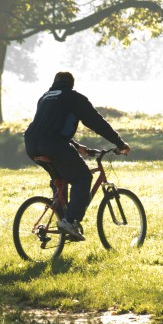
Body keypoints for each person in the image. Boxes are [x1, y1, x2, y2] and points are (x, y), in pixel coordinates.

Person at [24, 71, 130, 241]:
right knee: (83, 177)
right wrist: (119, 143)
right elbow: (96, 122)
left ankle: (61, 218)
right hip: (54, 145)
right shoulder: (73, 97)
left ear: (54, 82)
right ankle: (70, 222)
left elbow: (49, 127)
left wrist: (76, 145)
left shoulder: (45, 97)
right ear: (72, 84)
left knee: (60, 180)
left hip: (31, 144)